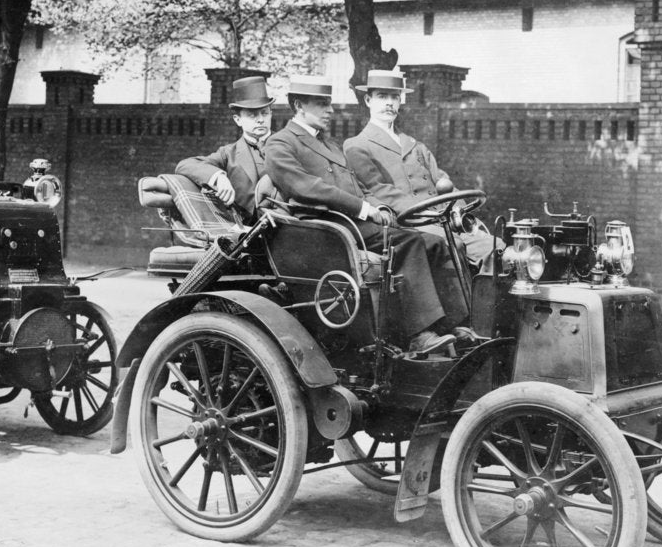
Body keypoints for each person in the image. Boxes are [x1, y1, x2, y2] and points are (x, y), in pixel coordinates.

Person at [263, 74, 467, 353]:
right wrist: (363, 208)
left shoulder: (330, 144)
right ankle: (420, 334)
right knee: (409, 242)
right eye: (322, 104)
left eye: (329, 103)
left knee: (433, 242)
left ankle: (451, 325)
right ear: (299, 106)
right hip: (322, 227)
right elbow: (307, 187)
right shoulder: (280, 143)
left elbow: (358, 186)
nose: (331, 110)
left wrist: (378, 206)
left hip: (350, 222)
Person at [343, 69, 500, 266]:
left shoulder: (415, 145)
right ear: (368, 100)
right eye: (382, 97)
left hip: (444, 221)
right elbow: (379, 190)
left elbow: (444, 183)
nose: (389, 103)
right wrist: (428, 215)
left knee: (499, 248)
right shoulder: (357, 145)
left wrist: (458, 212)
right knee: (455, 248)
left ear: (401, 101)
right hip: (407, 225)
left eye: (395, 97)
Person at [175, 76, 274, 221]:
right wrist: (219, 177)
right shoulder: (228, 153)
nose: (260, 119)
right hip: (247, 232)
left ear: (271, 114)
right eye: (252, 115)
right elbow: (185, 165)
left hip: (285, 227)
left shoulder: (288, 145)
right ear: (237, 119)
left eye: (264, 113)